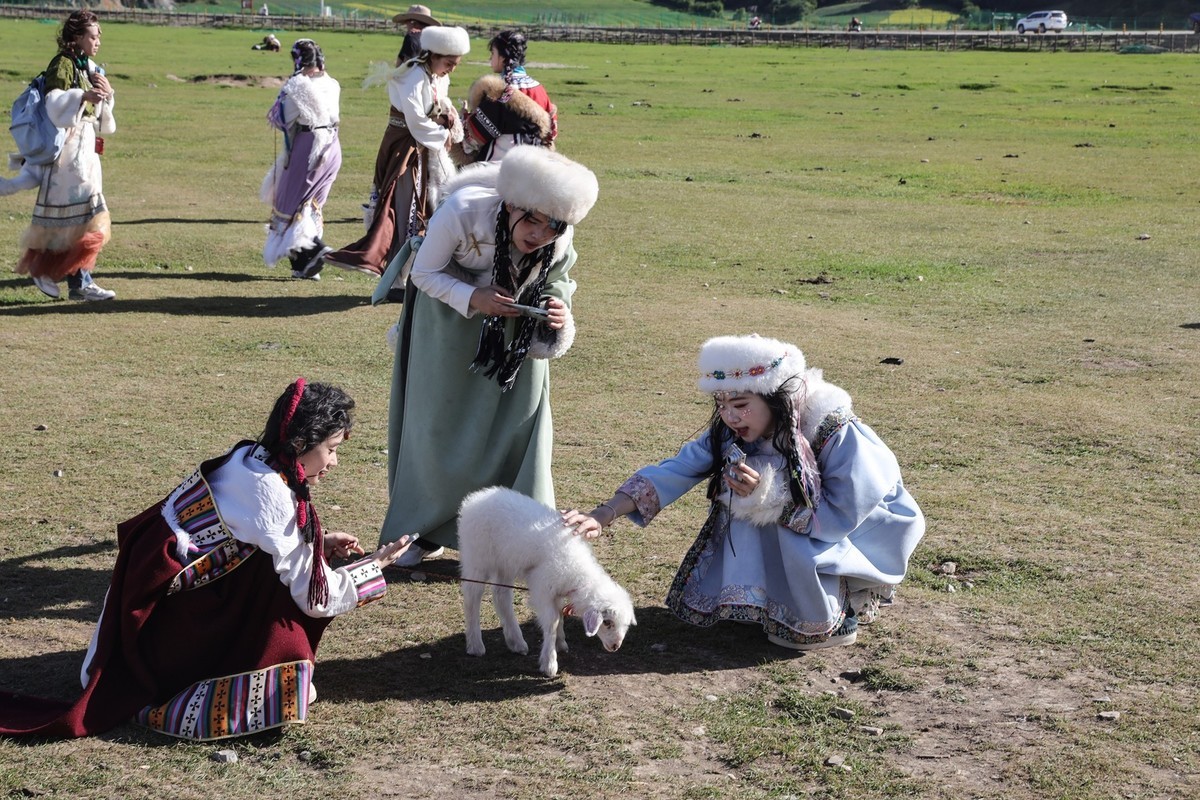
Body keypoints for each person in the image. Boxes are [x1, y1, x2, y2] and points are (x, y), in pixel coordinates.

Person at [0, 380, 414, 740]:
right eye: (332, 449)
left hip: (153, 624)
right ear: (300, 445)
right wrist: (373, 567)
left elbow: (256, 547)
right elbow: (315, 598)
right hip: (162, 649)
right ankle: (232, 691)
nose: (334, 462)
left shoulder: (249, 460)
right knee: (284, 602)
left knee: (275, 577)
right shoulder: (272, 497)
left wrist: (316, 545)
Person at [562, 335, 926, 650]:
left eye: (740, 406)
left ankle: (837, 610)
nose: (730, 417)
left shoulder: (833, 428)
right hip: (813, 523)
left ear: (776, 398)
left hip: (862, 529)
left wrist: (770, 498)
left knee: (760, 502)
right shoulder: (730, 433)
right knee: (743, 498)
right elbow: (678, 469)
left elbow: (847, 509)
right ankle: (769, 604)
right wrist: (604, 513)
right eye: (721, 406)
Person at [380, 145, 599, 568]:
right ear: (511, 203)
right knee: (436, 429)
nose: (540, 235)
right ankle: (422, 530)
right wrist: (474, 297)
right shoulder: (463, 211)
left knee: (516, 432)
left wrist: (555, 309)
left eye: (554, 226)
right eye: (532, 219)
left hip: (514, 342)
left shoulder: (558, 234)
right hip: (445, 327)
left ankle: (521, 536)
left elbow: (558, 278)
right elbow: (423, 273)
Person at [324, 26, 468, 278]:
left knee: (420, 207)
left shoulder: (434, 76)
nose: (452, 69)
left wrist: (447, 118)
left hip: (421, 148)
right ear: (434, 55)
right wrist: (443, 133)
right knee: (403, 208)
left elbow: (434, 108)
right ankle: (397, 275)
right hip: (404, 149)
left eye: (456, 64)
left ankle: (411, 272)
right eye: (449, 63)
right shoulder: (413, 76)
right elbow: (416, 121)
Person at [14, 10, 116, 302]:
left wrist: (107, 95)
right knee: (77, 218)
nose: (97, 42)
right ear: (77, 37)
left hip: (85, 151)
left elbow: (100, 117)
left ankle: (79, 282)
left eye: (98, 36)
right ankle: (45, 271)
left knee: (81, 219)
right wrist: (83, 96)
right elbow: (53, 103)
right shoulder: (63, 64)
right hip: (67, 155)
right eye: (92, 36)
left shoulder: (89, 67)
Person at [261, 39, 342, 280]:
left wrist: (285, 93)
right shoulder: (332, 83)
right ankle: (303, 266)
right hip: (332, 147)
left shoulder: (298, 86)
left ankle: (314, 250)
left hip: (308, 148)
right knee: (311, 204)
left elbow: (282, 118)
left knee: (290, 204)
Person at [456, 30, 557, 165]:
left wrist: (463, 119)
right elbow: (550, 133)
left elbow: (474, 138)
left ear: (503, 57)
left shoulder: (498, 92)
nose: (490, 58)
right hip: (535, 163)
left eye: (493, 53)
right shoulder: (539, 89)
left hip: (500, 165)